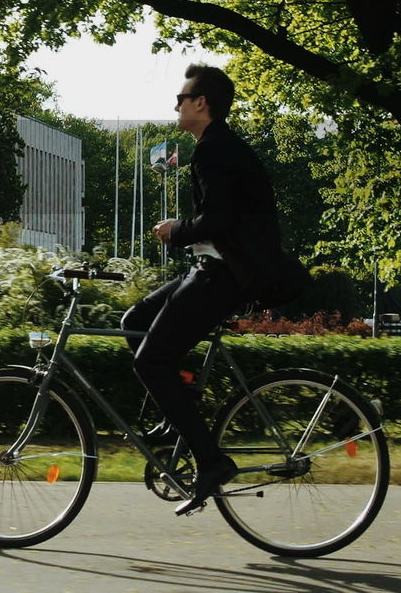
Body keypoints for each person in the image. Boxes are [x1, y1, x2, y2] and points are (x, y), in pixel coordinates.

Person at [121, 63, 284, 515]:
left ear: (201, 104)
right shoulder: (215, 147)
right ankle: (182, 415)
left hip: (224, 276)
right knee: (134, 322)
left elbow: (219, 220)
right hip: (213, 269)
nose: (175, 104)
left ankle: (210, 460)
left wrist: (177, 229)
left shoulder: (216, 151)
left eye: (182, 97)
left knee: (151, 359)